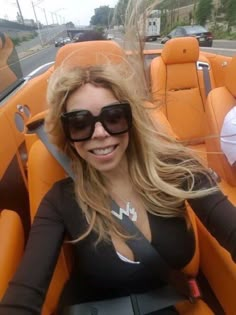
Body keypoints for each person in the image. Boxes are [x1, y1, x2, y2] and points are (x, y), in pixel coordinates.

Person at [1, 55, 236, 315]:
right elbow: (24, 293)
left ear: (131, 120)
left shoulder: (178, 171)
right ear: (67, 133)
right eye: (80, 123)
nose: (100, 133)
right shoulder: (60, 199)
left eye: (113, 117)